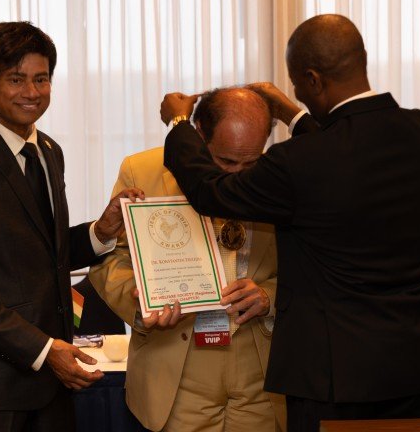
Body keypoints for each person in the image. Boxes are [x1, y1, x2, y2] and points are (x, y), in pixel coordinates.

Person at [159, 14, 420, 430]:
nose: (297, 92)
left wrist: (178, 124)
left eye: (298, 83)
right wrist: (292, 113)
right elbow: (346, 154)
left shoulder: (298, 163)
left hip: (331, 381)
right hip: (413, 369)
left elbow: (211, 191)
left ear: (313, 79)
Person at [0, 21, 143, 431]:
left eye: (41, 79)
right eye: (16, 79)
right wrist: (45, 350)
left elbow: (43, 255)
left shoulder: (47, 151)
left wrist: (101, 231)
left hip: (51, 384)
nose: (32, 92)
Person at [89, 87, 286, 431]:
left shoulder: (280, 175)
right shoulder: (143, 170)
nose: (238, 175)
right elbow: (110, 258)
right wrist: (141, 306)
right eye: (226, 161)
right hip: (176, 372)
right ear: (199, 135)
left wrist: (269, 295)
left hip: (260, 374)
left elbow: (313, 264)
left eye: (250, 163)